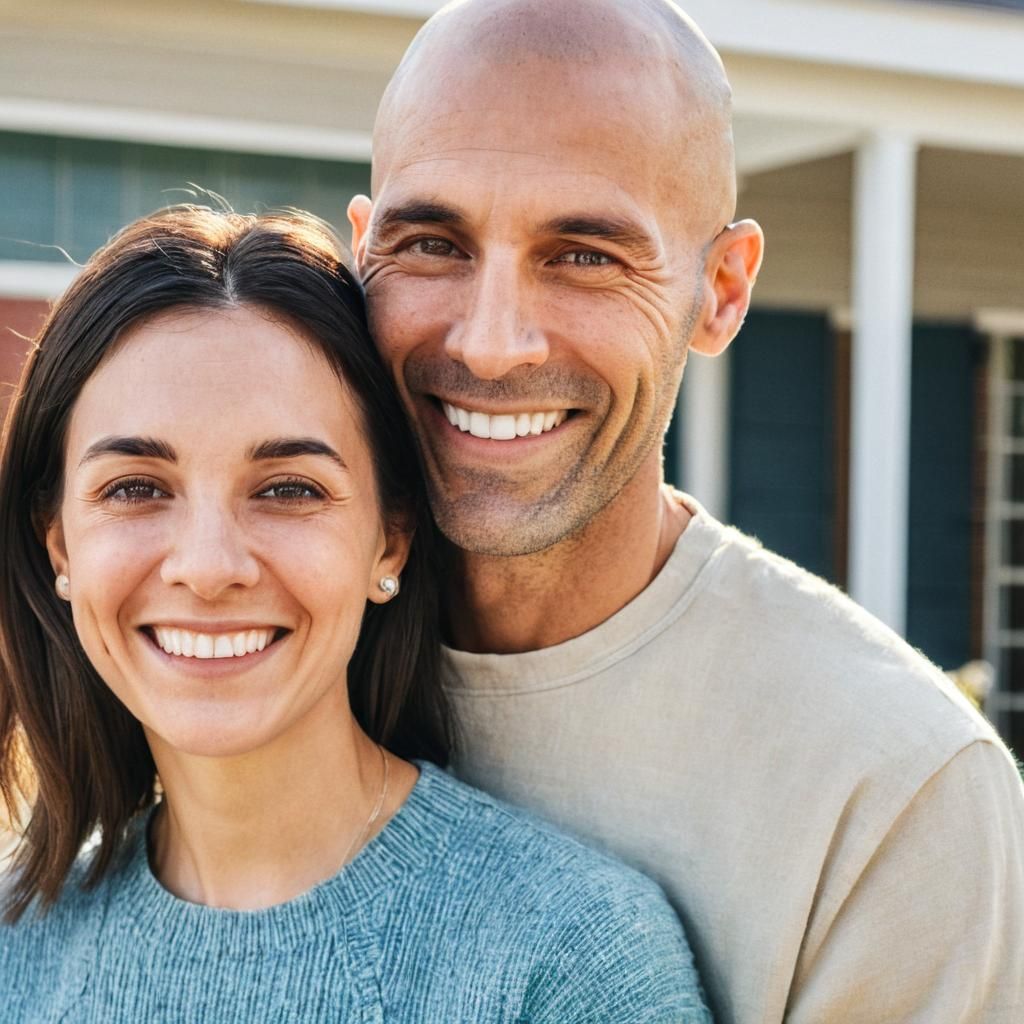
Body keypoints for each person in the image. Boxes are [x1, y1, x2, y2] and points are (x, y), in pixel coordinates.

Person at [346, 1, 1024, 1021]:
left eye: (584, 255)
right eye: (433, 243)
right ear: (362, 251)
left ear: (722, 288)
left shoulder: (892, 794)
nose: (490, 344)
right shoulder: (263, 648)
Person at [0, 207, 712, 1022]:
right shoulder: (15, 947)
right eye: (135, 489)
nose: (207, 566)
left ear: (391, 541)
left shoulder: (570, 954)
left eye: (288, 490)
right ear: (58, 546)